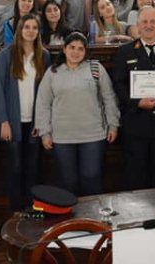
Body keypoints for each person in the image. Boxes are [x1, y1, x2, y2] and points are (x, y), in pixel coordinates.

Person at [35, 32, 120, 196]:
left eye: (80, 49)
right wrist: (44, 132)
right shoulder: (53, 72)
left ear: (85, 51)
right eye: (72, 47)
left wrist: (113, 125)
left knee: (91, 178)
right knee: (68, 181)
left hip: (93, 135)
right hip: (62, 137)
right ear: (64, 49)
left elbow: (109, 98)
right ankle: (72, 220)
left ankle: (92, 219)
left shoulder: (96, 69)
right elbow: (43, 103)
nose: (76, 52)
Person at [111, 7, 155, 189]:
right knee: (136, 177)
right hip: (136, 126)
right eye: (144, 22)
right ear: (137, 25)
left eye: (153, 22)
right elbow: (118, 85)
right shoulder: (125, 52)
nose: (149, 26)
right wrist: (137, 102)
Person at [0, 14, 51, 211]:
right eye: (26, 27)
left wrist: (41, 123)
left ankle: (32, 210)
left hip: (33, 123)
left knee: (33, 169)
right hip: (12, 122)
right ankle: (16, 212)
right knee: (15, 168)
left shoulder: (44, 55)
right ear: (20, 30)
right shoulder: (6, 55)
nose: (30, 31)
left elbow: (45, 93)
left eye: (34, 27)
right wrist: (4, 121)